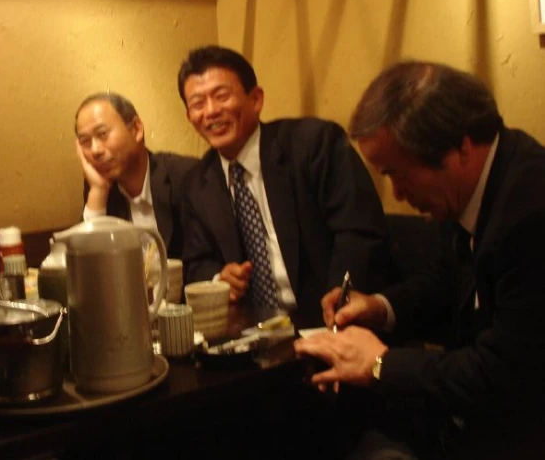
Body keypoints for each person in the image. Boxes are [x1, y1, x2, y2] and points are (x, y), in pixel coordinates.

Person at [294, 61, 545, 459]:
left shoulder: (531, 209)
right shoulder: (471, 188)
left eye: (398, 173)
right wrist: (378, 307)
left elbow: (507, 373)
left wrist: (380, 364)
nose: (395, 194)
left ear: (460, 146)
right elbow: (448, 280)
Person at [177, 45, 391, 327]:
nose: (211, 111)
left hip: (329, 323)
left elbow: (358, 234)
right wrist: (220, 278)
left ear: (255, 99)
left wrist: (339, 311)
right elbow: (196, 262)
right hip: (253, 334)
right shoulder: (197, 183)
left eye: (221, 96)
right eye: (197, 103)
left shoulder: (314, 145)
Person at [75, 92, 198, 260]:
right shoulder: (100, 187)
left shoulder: (185, 176)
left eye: (102, 134)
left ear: (136, 129)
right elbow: (88, 266)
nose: (95, 150)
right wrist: (98, 192)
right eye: (85, 141)